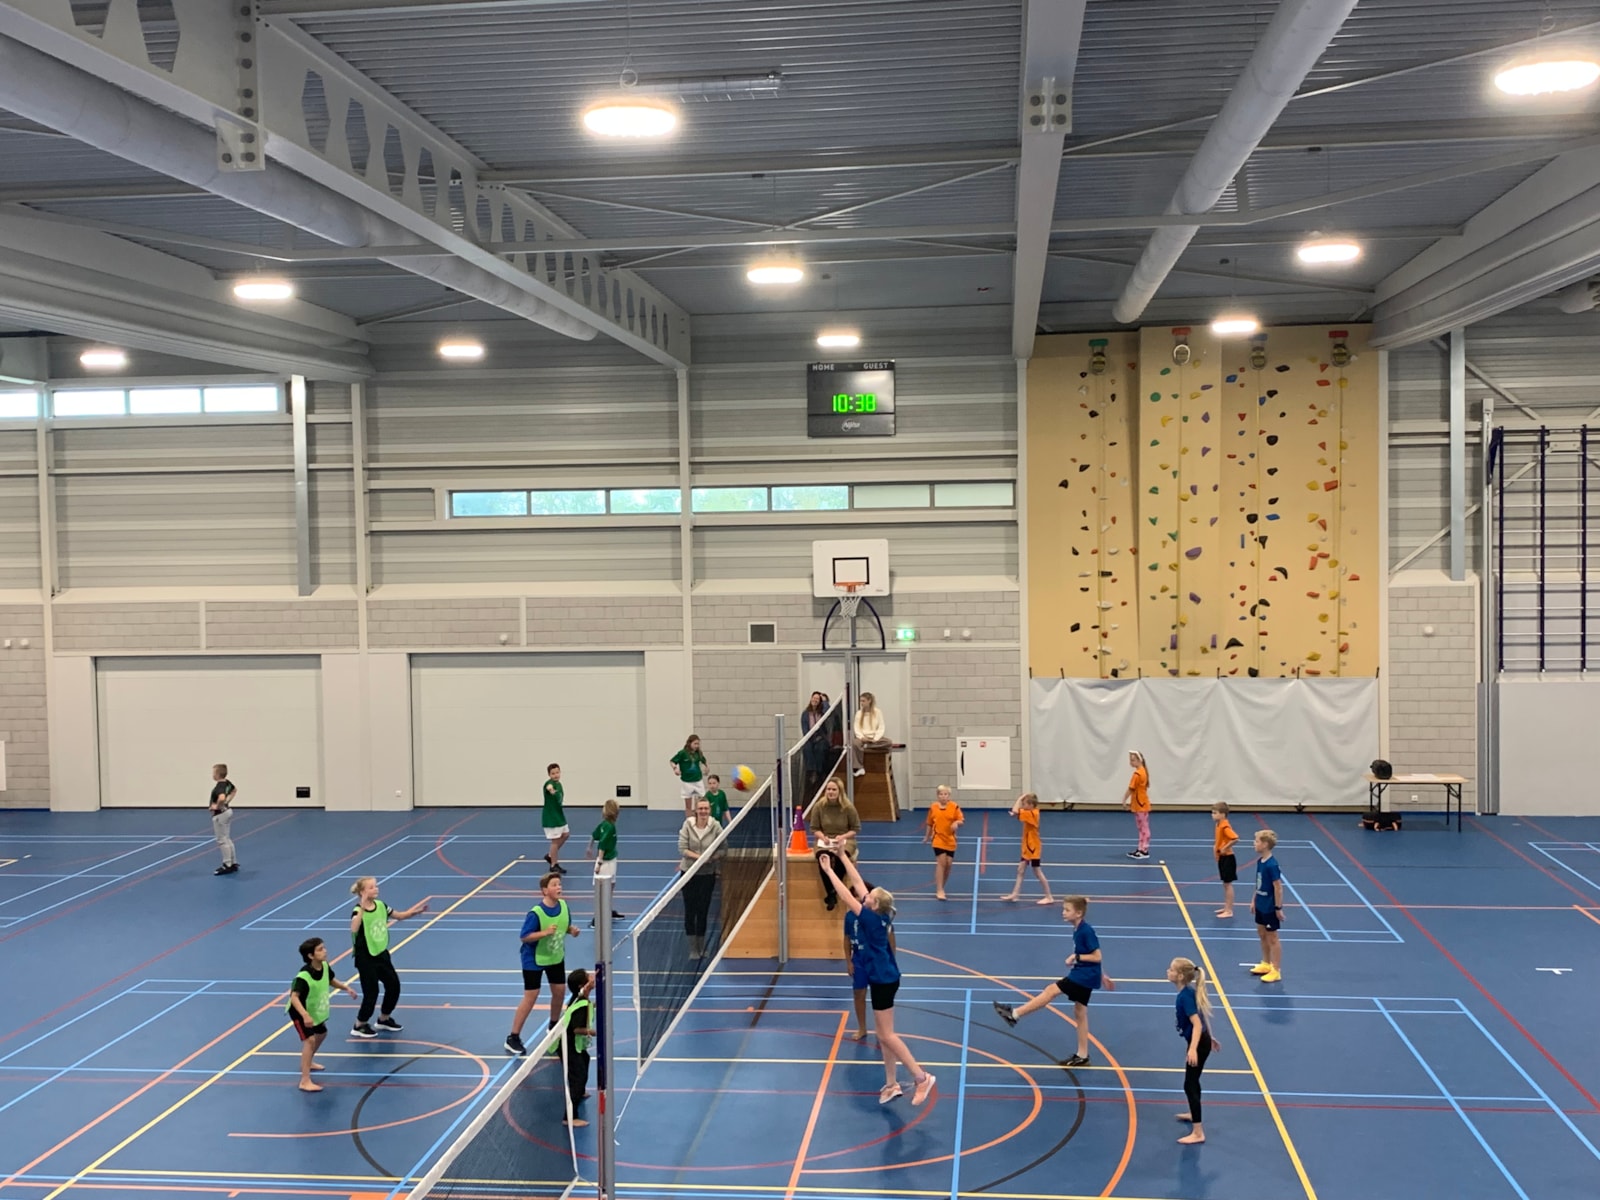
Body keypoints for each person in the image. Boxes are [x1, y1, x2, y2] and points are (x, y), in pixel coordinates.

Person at [817, 852, 937, 1106]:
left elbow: (847, 895)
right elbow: (858, 883)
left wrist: (829, 871)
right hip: (886, 977)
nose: (865, 895)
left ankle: (921, 1077)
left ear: (873, 904)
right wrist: (842, 855)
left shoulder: (870, 919)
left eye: (869, 896)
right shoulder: (880, 914)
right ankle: (891, 1084)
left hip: (883, 980)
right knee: (883, 1035)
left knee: (888, 1035)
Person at [992, 895, 1114, 1067]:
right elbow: (1095, 957)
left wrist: (1076, 957)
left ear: (1078, 913)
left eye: (1067, 910)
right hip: (1087, 973)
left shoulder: (1086, 931)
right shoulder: (1078, 929)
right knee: (1080, 1012)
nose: (1063, 912)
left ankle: (1015, 1014)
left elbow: (1097, 956)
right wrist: (1103, 975)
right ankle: (1083, 1055)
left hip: (1084, 976)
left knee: (1051, 990)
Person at [507, 871, 579, 1056]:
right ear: (545, 890)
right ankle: (513, 1038)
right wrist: (544, 933)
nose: (559, 887)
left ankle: (553, 1027)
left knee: (559, 991)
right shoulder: (536, 913)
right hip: (533, 959)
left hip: (555, 956)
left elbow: (564, 926)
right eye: (554, 885)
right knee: (531, 996)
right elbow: (524, 936)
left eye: (559, 884)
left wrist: (571, 930)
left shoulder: (564, 906)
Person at [349, 876, 428, 1038]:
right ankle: (359, 1025)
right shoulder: (358, 911)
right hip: (365, 957)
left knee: (394, 985)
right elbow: (354, 928)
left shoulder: (381, 905)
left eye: (376, 886)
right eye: (371, 887)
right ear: (362, 892)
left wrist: (416, 912)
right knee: (372, 992)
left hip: (381, 954)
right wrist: (362, 906)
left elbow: (399, 915)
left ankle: (383, 1019)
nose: (376, 889)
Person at [286, 937, 356, 1093]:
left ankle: (308, 1061)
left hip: (313, 1011)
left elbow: (331, 980)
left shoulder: (324, 966)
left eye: (324, 948)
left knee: (322, 1033)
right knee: (310, 1040)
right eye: (320, 949)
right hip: (299, 1011)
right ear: (311, 956)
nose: (325, 951)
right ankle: (305, 1081)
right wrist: (305, 1016)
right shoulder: (303, 976)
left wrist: (346, 988)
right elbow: (294, 997)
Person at [1169, 957, 1218, 1144]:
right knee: (1193, 1081)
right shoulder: (1188, 992)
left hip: (1198, 1044)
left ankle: (1198, 1132)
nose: (1168, 972)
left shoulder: (1185, 996)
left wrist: (1193, 1049)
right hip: (1201, 1041)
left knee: (1189, 1084)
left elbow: (1197, 1024)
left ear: (1180, 976)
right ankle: (1193, 1112)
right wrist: (1210, 1036)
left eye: (1171, 970)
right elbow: (1203, 1014)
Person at [843, 875, 889, 1043]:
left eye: (859, 896)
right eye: (853, 896)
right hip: (859, 959)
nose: (856, 900)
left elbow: (890, 938)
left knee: (878, 996)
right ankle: (862, 1027)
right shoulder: (849, 917)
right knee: (859, 993)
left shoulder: (878, 916)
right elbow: (846, 939)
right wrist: (849, 961)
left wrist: (889, 959)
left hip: (875, 960)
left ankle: (881, 1029)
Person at [678, 798, 721, 959]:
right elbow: (682, 848)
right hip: (689, 873)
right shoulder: (687, 825)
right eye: (700, 808)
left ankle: (702, 947)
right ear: (696, 810)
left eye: (706, 809)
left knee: (703, 911)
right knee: (690, 910)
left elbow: (723, 848)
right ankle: (693, 949)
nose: (703, 811)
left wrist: (712, 857)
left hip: (707, 875)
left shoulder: (715, 826)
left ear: (709, 810)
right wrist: (700, 858)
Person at [809, 778, 860, 912]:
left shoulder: (848, 808)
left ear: (840, 791)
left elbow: (855, 829)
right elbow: (814, 828)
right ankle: (831, 892)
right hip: (825, 839)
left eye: (834, 789)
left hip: (844, 839)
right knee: (823, 858)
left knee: (840, 858)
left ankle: (833, 891)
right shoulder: (819, 806)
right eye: (828, 789)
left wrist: (842, 837)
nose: (830, 792)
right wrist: (823, 837)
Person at [999, 792, 1053, 905]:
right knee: (1020, 870)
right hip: (1027, 847)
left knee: (1037, 871)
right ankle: (1015, 894)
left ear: (1031, 805)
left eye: (1024, 804)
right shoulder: (1029, 813)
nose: (1023, 806)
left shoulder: (1033, 814)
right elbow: (1017, 813)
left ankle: (1049, 896)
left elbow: (1015, 810)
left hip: (1033, 848)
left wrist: (1020, 798)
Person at [562, 968, 595, 1127]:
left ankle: (580, 1092)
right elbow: (575, 1029)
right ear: (583, 985)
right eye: (589, 977)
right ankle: (569, 1117)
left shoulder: (579, 998)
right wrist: (593, 1032)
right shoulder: (581, 1005)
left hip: (574, 1043)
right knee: (577, 1076)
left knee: (585, 1059)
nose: (592, 977)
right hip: (567, 1045)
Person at [1250, 830, 1284, 983]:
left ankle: (1276, 970)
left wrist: (1278, 908)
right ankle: (1265, 963)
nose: (1254, 844)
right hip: (1260, 904)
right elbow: (1259, 883)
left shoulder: (1272, 865)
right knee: (1262, 933)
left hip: (1270, 907)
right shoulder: (1260, 862)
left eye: (1256, 841)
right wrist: (1254, 899)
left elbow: (1278, 887)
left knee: (1272, 937)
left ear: (1264, 844)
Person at [586, 799, 625, 922]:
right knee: (602, 890)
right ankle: (597, 918)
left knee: (611, 886)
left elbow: (593, 835)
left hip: (611, 860)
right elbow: (602, 845)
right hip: (605, 862)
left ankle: (608, 910)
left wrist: (589, 847)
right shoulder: (609, 827)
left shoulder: (606, 824)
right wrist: (599, 863)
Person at [923, 785, 963, 901]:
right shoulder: (933, 807)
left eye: (946, 794)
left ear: (949, 796)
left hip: (950, 840)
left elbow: (961, 820)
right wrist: (926, 837)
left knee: (949, 864)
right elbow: (929, 823)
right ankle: (939, 889)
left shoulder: (954, 807)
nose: (943, 796)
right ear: (937, 796)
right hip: (938, 839)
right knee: (941, 862)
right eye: (941, 794)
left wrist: (956, 823)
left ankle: (942, 886)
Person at [850, 692, 892, 777]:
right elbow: (856, 727)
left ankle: (866, 746)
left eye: (863, 701)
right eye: (860, 701)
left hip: (874, 739)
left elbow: (881, 727)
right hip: (863, 738)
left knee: (888, 742)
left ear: (869, 701)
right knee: (854, 743)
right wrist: (861, 737)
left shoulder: (878, 712)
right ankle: (859, 767)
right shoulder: (859, 713)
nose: (861, 703)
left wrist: (875, 739)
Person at [801, 692, 834, 798]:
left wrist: (824, 701)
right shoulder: (805, 714)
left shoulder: (822, 713)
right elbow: (805, 729)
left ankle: (819, 772)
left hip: (820, 737)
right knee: (807, 748)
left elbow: (828, 711)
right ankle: (812, 771)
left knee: (820, 748)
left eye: (817, 699)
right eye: (813, 698)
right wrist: (810, 739)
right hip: (810, 737)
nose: (815, 700)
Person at [208, 763, 238, 876]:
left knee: (222, 839)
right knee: (227, 838)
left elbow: (221, 797)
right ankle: (233, 862)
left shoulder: (219, 786)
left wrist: (217, 806)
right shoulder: (227, 783)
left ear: (217, 774)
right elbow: (234, 790)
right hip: (227, 811)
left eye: (213, 772)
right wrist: (227, 802)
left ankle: (227, 864)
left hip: (220, 814)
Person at [1123, 751, 1152, 860]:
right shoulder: (1142, 772)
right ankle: (1140, 848)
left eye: (1133, 760)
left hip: (1141, 804)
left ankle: (1144, 849)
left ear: (1139, 760)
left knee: (1143, 828)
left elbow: (1131, 788)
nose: (1131, 762)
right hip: (1140, 803)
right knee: (1141, 828)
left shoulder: (1138, 774)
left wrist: (1124, 799)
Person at [1212, 803, 1239, 918]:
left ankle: (1229, 910)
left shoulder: (1225, 826)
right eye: (1212, 813)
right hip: (1222, 857)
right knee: (1225, 884)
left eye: (1215, 813)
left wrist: (1225, 848)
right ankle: (1226, 907)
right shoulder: (1218, 825)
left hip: (1228, 858)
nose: (1212, 815)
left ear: (1223, 814)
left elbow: (1235, 838)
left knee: (1228, 884)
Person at [542, 763, 570, 875]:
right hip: (551, 818)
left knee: (566, 834)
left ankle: (550, 855)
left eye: (557, 772)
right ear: (549, 775)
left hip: (559, 816)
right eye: (553, 773)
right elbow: (548, 787)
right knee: (555, 840)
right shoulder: (549, 784)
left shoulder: (559, 784)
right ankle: (554, 865)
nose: (555, 775)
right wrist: (550, 789)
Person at [671, 735, 708, 817]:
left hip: (698, 780)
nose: (697, 746)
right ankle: (689, 821)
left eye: (698, 744)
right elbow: (672, 761)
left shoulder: (698, 753)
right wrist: (675, 769)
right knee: (688, 805)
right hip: (687, 782)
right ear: (690, 743)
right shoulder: (682, 753)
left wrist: (706, 767)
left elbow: (704, 761)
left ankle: (699, 819)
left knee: (701, 802)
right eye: (695, 744)